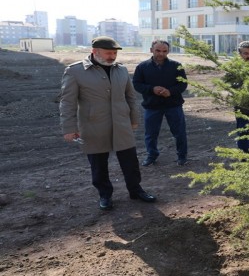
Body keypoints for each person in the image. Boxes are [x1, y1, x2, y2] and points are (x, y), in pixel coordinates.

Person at [59, 36, 156, 211]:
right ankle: (105, 195)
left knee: (130, 162)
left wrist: (134, 119)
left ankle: (136, 190)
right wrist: (69, 128)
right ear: (95, 52)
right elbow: (67, 102)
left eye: (114, 53)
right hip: (93, 125)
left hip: (121, 123)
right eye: (108, 53)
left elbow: (131, 97)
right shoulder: (75, 71)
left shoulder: (122, 70)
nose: (112, 57)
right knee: (98, 165)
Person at [133, 40, 188, 166]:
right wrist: (151, 89)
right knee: (150, 134)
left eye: (164, 51)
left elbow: (183, 84)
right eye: (158, 50)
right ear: (151, 50)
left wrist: (170, 91)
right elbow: (136, 84)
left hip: (173, 105)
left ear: (168, 51)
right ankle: (151, 155)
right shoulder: (142, 67)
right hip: (152, 105)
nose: (161, 54)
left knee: (179, 132)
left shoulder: (176, 66)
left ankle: (182, 156)